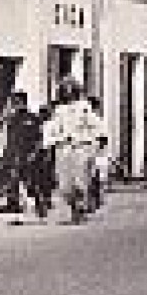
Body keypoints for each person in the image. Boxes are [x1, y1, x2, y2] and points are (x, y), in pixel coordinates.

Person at [43, 77, 104, 224]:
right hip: (63, 148)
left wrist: (96, 139)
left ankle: (80, 209)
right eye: (65, 89)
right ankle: (73, 206)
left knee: (80, 180)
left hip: (80, 148)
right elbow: (51, 128)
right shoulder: (59, 110)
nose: (68, 92)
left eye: (71, 89)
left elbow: (96, 126)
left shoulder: (84, 108)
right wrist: (51, 141)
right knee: (64, 183)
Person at [2, 91, 45, 219]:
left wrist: (34, 154)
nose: (14, 105)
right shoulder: (11, 120)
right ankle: (14, 206)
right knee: (13, 180)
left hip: (29, 155)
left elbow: (39, 139)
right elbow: (9, 140)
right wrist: (6, 155)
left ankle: (39, 203)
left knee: (30, 182)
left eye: (16, 102)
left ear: (23, 102)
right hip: (14, 155)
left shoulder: (33, 119)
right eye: (13, 102)